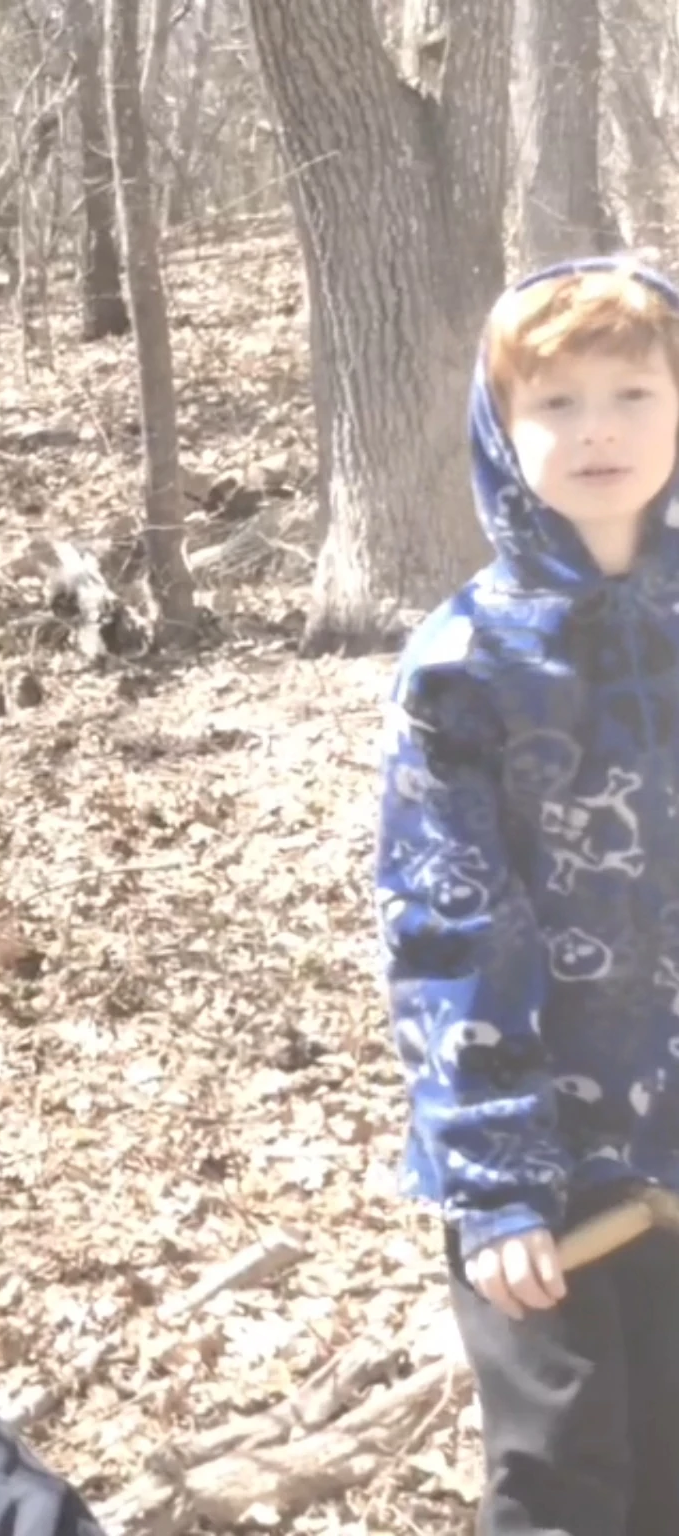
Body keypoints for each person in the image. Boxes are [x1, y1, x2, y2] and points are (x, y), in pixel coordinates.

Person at [377, 258, 679, 1536]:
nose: (596, 428)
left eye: (631, 392)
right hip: (543, 1169)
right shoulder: (462, 664)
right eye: (555, 402)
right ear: (501, 429)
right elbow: (445, 926)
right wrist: (496, 1177)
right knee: (564, 1472)